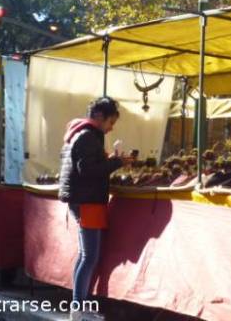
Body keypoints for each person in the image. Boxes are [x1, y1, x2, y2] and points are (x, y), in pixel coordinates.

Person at [59, 96, 129, 321]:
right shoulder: (88, 136)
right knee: (90, 257)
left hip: (83, 199)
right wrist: (117, 162)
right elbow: (88, 170)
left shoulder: (80, 133)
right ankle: (77, 309)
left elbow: (86, 166)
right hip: (87, 201)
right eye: (111, 122)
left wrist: (109, 159)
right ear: (99, 117)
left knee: (85, 256)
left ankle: (78, 304)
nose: (111, 128)